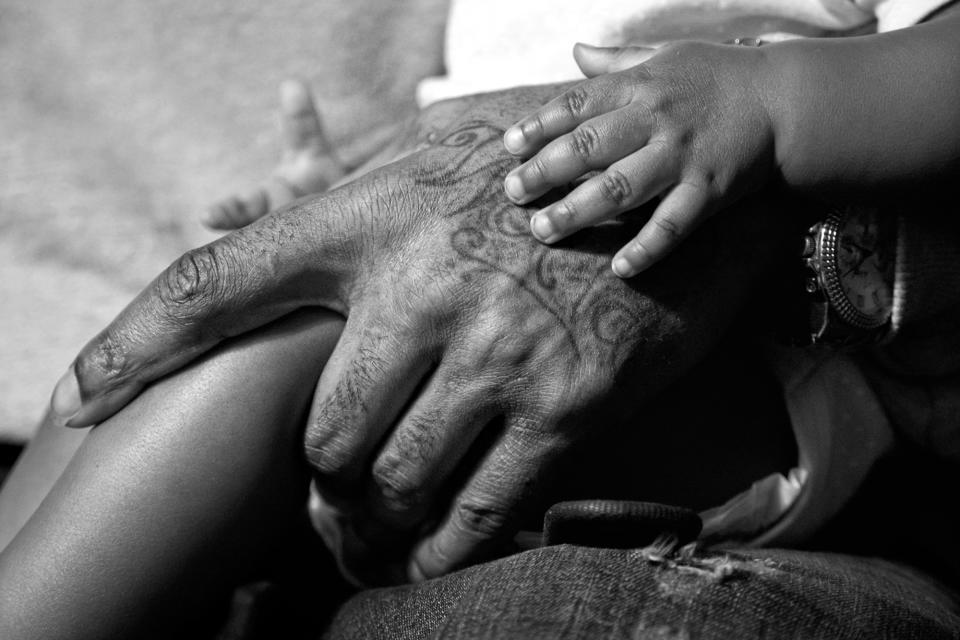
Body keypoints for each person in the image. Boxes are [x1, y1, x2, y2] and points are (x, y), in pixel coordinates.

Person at [4, 0, 960, 636]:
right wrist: (342, 190)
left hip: (745, 349)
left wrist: (776, 104)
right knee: (134, 374)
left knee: (252, 349)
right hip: (512, 285)